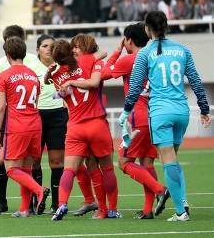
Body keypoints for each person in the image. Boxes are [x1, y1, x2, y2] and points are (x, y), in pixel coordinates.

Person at [124, 11, 211, 222]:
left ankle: (181, 212)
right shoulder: (182, 50)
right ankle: (183, 202)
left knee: (168, 161)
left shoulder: (145, 54)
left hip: (160, 111)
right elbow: (196, 81)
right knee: (173, 158)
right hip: (182, 111)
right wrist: (204, 108)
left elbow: (135, 87)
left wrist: (126, 111)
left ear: (147, 29)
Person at [101, 23, 167, 220]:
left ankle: (160, 190)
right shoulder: (154, 57)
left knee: (123, 162)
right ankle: (147, 210)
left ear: (129, 40)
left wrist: (116, 52)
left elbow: (103, 74)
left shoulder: (130, 59)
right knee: (147, 162)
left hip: (138, 118)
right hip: (155, 116)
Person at [48, 39, 118, 221]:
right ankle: (109, 210)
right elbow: (102, 54)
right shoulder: (88, 61)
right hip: (96, 123)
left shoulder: (56, 75)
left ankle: (61, 204)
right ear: (71, 52)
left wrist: (53, 73)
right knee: (107, 168)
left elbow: (53, 84)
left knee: (69, 170)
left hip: (75, 126)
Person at [0, 25, 43, 215]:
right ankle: (24, 209)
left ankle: (39, 190)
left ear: (7, 55)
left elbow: (1, 106)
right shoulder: (33, 75)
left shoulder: (5, 75)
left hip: (17, 125)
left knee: (10, 169)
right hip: (35, 124)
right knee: (26, 168)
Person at [35, 35, 69, 213]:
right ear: (38, 50)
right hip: (35, 116)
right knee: (34, 162)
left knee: (57, 161)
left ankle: (57, 203)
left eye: (52, 46)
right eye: (45, 46)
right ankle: (37, 201)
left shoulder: (64, 68)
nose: (48, 48)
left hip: (57, 115)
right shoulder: (31, 68)